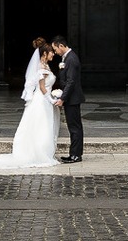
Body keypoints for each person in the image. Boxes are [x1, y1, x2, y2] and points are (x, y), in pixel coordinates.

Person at [0, 38, 60, 169]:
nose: (53, 54)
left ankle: (43, 151)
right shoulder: (41, 68)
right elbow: (42, 89)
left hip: (43, 101)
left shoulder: (46, 66)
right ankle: (39, 153)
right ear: (44, 54)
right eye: (51, 52)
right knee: (41, 126)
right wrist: (52, 99)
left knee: (42, 126)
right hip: (41, 101)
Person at [50, 35, 83, 163]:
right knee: (73, 127)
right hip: (70, 98)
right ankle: (74, 153)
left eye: (55, 49)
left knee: (75, 128)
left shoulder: (72, 59)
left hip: (72, 99)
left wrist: (62, 98)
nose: (55, 52)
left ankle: (76, 155)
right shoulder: (67, 58)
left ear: (61, 46)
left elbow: (71, 82)